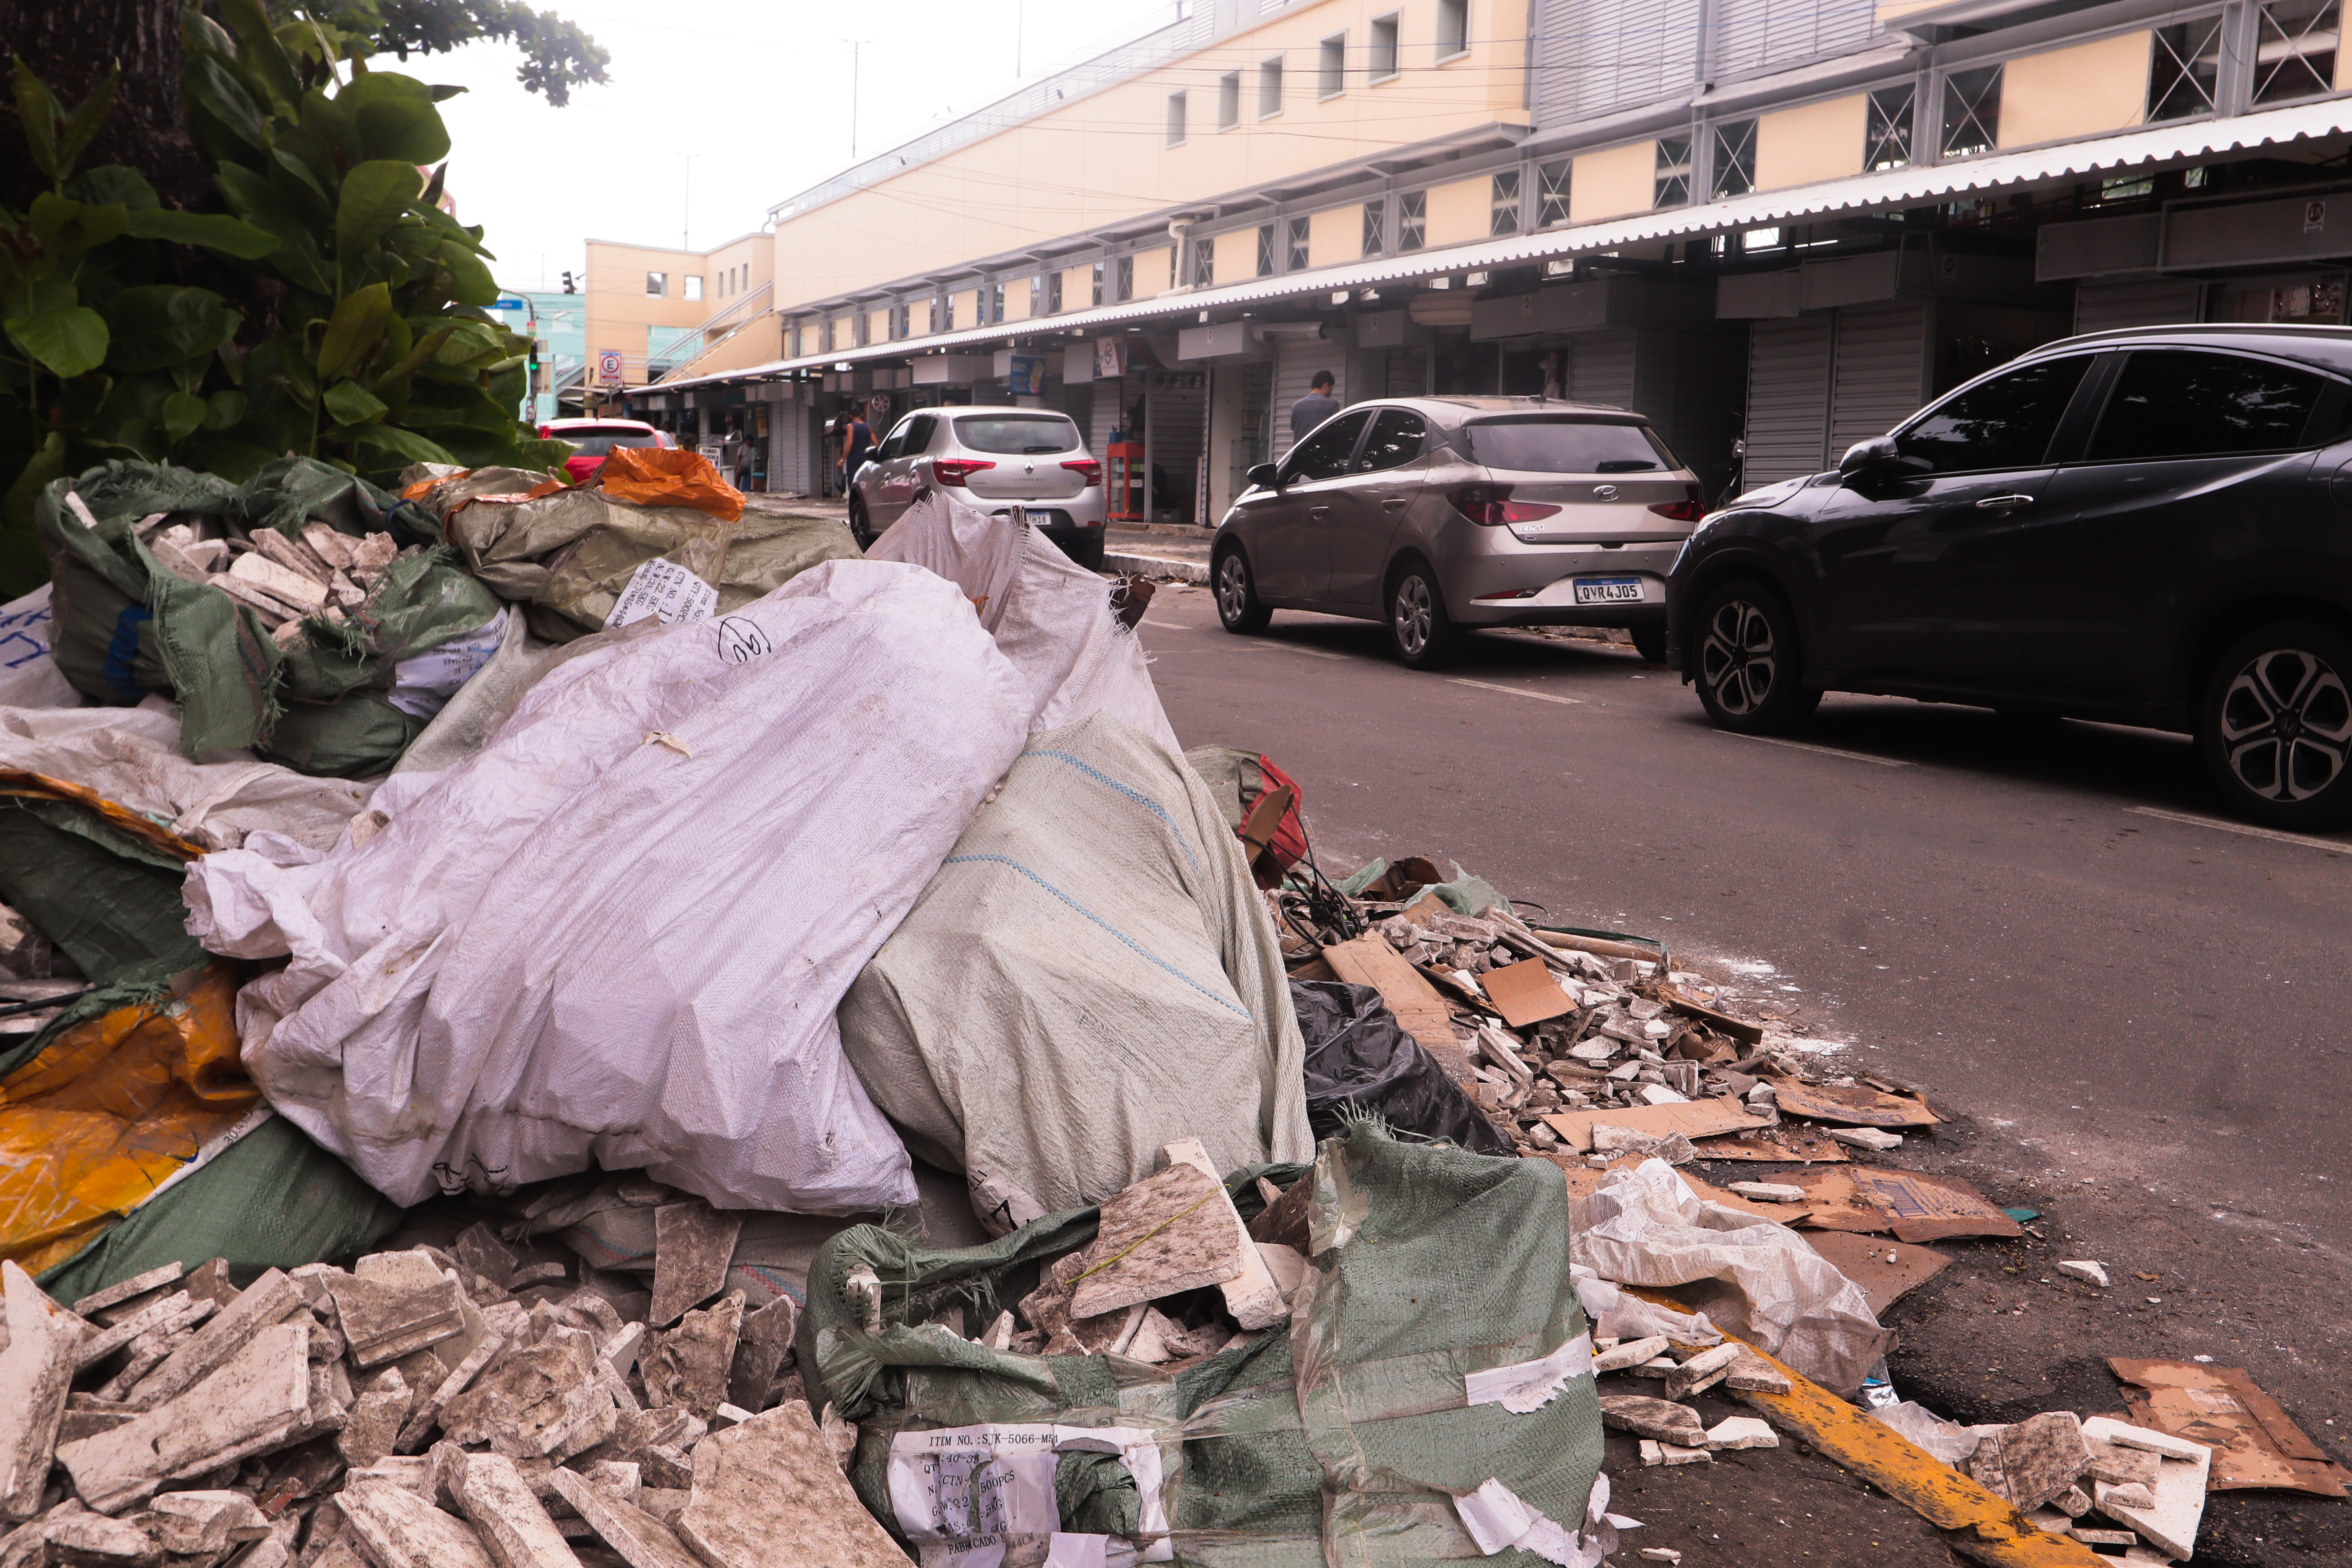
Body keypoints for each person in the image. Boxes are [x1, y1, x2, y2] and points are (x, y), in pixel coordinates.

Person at [1290, 370, 1340, 441]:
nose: (1331, 394)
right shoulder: (1332, 404)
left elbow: (1295, 431)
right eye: (1331, 389)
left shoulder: (1296, 406)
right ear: (1325, 386)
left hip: (1300, 451)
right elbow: (1336, 432)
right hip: (1322, 450)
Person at [839, 399, 873, 494]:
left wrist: (842, 460)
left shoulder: (850, 427)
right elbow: (876, 443)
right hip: (866, 460)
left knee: (854, 483)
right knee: (865, 483)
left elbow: (849, 443)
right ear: (862, 415)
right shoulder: (868, 427)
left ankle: (855, 502)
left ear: (851, 416)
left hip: (854, 460)